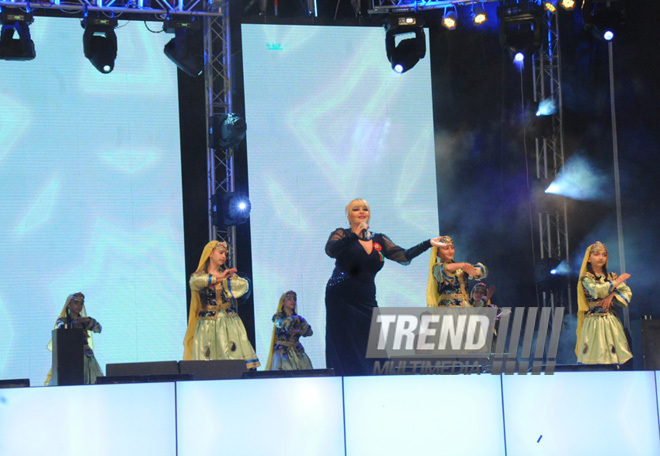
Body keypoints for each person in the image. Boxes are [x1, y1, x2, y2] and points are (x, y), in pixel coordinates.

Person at [325, 198, 437, 376]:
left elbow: (403, 256)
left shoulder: (379, 239)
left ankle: (374, 380)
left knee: (373, 342)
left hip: (366, 297)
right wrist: (355, 235)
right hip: (341, 296)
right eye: (356, 209)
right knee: (346, 341)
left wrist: (428, 243)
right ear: (348, 215)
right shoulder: (342, 235)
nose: (362, 212)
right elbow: (331, 250)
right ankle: (346, 380)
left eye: (365, 209)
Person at [183, 240, 260, 369]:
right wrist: (219, 278)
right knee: (208, 361)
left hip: (228, 323)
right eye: (221, 252)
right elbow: (194, 283)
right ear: (210, 254)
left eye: (225, 254)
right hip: (207, 324)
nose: (224, 256)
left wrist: (224, 278)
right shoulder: (199, 276)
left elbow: (244, 286)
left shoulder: (229, 277)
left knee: (231, 357)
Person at [575, 241, 632, 365]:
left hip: (610, 321)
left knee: (614, 357)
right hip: (594, 321)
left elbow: (627, 292)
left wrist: (612, 295)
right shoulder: (586, 277)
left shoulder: (611, 276)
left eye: (604, 255)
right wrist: (618, 281)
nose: (601, 257)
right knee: (595, 358)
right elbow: (597, 290)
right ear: (589, 258)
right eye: (596, 254)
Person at [45, 292, 103, 385]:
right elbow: (61, 329)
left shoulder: (84, 321)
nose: (79, 306)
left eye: (81, 303)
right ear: (69, 304)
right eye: (76, 303)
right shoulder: (62, 321)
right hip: (69, 356)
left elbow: (98, 329)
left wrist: (88, 320)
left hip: (85, 356)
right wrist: (74, 323)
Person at [426, 236, 488, 307]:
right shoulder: (437, 268)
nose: (450, 251)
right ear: (438, 252)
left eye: (452, 248)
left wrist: (475, 272)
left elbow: (483, 271)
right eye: (446, 248)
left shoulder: (460, 268)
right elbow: (447, 268)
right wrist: (463, 265)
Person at [265, 290, 314, 371]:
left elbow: (309, 332)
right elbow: (280, 324)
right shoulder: (278, 317)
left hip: (297, 351)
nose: (293, 301)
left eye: (294, 299)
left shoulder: (299, 318)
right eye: (289, 299)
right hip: (282, 352)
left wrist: (299, 331)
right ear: (283, 302)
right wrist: (292, 319)